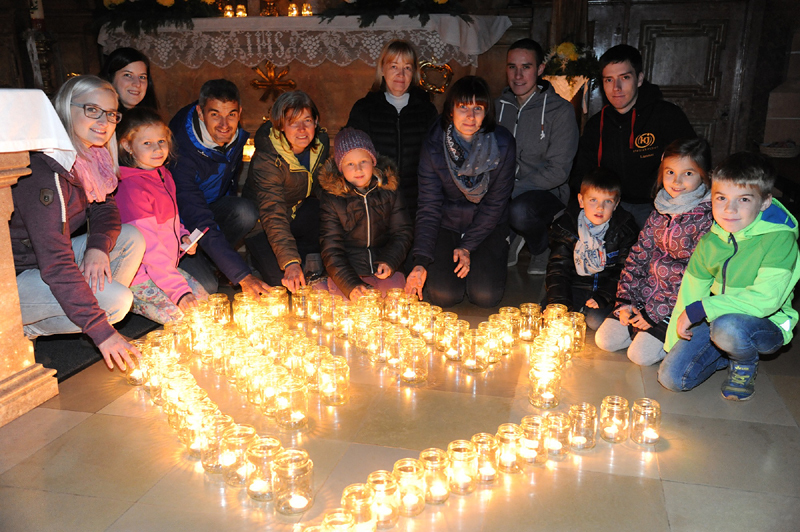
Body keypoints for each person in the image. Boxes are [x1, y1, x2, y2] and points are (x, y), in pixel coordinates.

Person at [10, 75, 145, 370]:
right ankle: (18, 333)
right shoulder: (45, 170)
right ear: (64, 110)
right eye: (91, 110)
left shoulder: (90, 158)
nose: (104, 122)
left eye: (111, 114)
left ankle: (86, 305)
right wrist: (102, 331)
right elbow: (55, 261)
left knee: (130, 237)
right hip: (12, 276)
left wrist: (97, 247)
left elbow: (106, 208)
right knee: (118, 302)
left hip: (41, 261)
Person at [658, 152, 800, 401]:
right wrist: (674, 345)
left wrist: (704, 308)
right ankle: (725, 350)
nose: (729, 209)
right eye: (721, 197)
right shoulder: (712, 240)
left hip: (767, 323)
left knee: (729, 326)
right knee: (671, 378)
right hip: (718, 318)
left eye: (743, 199)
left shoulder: (780, 239)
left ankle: (743, 363)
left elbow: (766, 300)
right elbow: (690, 293)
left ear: (765, 202)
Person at [595, 138, 714, 365]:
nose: (676, 181)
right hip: (644, 295)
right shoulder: (661, 208)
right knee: (605, 340)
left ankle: (668, 336)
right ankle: (641, 330)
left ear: (704, 175)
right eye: (670, 172)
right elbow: (638, 255)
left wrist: (655, 313)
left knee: (640, 356)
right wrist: (626, 300)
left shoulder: (707, 218)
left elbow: (694, 276)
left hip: (675, 303)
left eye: (688, 173)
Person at [405, 76, 516, 308]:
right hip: (447, 224)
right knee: (445, 295)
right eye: (463, 107)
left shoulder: (502, 143)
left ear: (487, 113)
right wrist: (421, 261)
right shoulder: (433, 145)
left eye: (478, 108)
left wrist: (467, 246)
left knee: (485, 295)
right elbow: (428, 205)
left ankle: (491, 258)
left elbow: (496, 204)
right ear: (451, 110)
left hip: (487, 226)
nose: (470, 116)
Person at [573, 44, 696, 228]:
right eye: (608, 80)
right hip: (611, 205)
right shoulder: (596, 125)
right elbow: (581, 175)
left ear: (639, 79)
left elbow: (693, 164)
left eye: (624, 77)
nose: (616, 87)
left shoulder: (667, 115)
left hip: (657, 207)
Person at [168, 79, 269, 296]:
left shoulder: (235, 138)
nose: (224, 124)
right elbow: (197, 216)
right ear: (201, 112)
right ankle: (197, 264)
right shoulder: (181, 151)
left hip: (210, 209)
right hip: (180, 225)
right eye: (215, 114)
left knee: (244, 211)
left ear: (240, 112)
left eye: (231, 114)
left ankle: (214, 261)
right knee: (208, 287)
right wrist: (241, 274)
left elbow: (230, 182)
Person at [115, 107, 209, 324]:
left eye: (161, 141)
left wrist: (183, 236)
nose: (157, 149)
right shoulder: (132, 189)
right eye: (147, 143)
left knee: (205, 302)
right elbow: (149, 248)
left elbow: (171, 219)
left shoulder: (163, 175)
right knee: (184, 318)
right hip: (138, 277)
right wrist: (179, 292)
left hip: (164, 268)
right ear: (128, 146)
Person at [496, 38, 580, 274]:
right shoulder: (498, 105)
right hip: (506, 189)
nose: (518, 75)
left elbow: (558, 171)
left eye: (526, 67)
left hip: (547, 193)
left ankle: (540, 247)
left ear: (540, 69)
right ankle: (510, 235)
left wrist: (511, 190)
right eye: (512, 67)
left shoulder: (560, 110)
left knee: (520, 211)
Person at [243, 90, 330, 292]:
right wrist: (290, 262)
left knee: (324, 207)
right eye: (293, 122)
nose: (302, 129)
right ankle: (258, 258)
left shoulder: (320, 144)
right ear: (281, 126)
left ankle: (311, 259)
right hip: (263, 225)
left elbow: (319, 185)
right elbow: (272, 212)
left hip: (297, 213)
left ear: (316, 122)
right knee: (282, 286)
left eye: (307, 121)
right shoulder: (268, 158)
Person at [318, 128, 413, 300]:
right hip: (348, 268)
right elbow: (331, 248)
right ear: (340, 168)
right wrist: (350, 284)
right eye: (350, 164)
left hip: (382, 265)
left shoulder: (389, 189)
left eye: (364, 161)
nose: (358, 169)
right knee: (348, 310)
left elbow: (402, 232)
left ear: (373, 161)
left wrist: (390, 260)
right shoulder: (333, 198)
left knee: (394, 302)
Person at [346, 39, 438, 216]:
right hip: (376, 203)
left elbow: (435, 159)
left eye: (407, 68)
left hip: (417, 203)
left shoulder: (427, 110)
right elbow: (352, 157)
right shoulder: (364, 109)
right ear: (382, 69)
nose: (401, 74)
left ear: (414, 73)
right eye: (394, 66)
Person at [545, 168, 638, 330]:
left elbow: (625, 270)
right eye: (593, 200)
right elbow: (558, 269)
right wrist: (559, 303)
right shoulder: (566, 227)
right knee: (553, 316)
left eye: (607, 201)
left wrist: (604, 296)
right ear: (581, 200)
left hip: (607, 289)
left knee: (596, 321)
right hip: (574, 285)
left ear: (616, 204)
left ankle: (590, 310)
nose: (600, 208)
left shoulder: (624, 229)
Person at [99, 47, 158, 112]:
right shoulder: (99, 119)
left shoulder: (150, 118)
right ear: (110, 78)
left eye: (142, 77)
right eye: (128, 75)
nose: (137, 84)